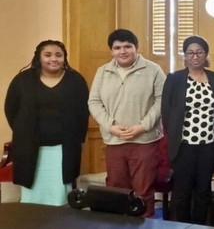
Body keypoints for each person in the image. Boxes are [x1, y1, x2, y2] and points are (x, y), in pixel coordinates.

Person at [88, 29, 165, 217]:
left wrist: (142, 126)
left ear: (136, 48)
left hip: (145, 141)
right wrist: (110, 126)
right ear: (111, 51)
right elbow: (94, 102)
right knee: (116, 189)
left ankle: (145, 223)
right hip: (114, 141)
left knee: (143, 191)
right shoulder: (103, 71)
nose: (122, 51)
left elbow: (161, 101)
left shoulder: (153, 70)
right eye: (117, 47)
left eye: (127, 46)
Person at [5, 40, 89, 206]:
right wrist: (22, 131)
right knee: (33, 195)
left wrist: (77, 138)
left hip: (63, 148)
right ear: (39, 57)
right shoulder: (23, 80)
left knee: (59, 194)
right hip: (30, 147)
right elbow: (11, 108)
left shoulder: (76, 80)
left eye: (59, 55)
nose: (54, 59)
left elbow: (83, 111)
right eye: (48, 55)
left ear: (64, 58)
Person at [161, 35, 214, 224]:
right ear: (185, 56)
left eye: (199, 52)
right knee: (182, 191)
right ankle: (181, 225)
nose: (195, 56)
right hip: (184, 146)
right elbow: (166, 111)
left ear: (206, 55)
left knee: (203, 190)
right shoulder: (175, 78)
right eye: (190, 53)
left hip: (208, 145)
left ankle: (199, 226)